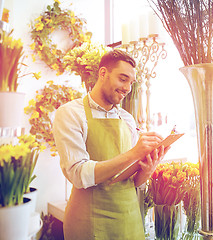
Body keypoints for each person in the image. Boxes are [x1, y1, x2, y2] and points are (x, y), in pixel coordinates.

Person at [53, 49, 170, 240]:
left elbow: (132, 182)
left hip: (129, 220)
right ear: (103, 73)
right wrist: (134, 153)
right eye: (122, 79)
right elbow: (78, 174)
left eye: (131, 82)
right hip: (89, 223)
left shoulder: (127, 119)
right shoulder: (70, 114)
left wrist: (147, 169)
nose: (127, 88)